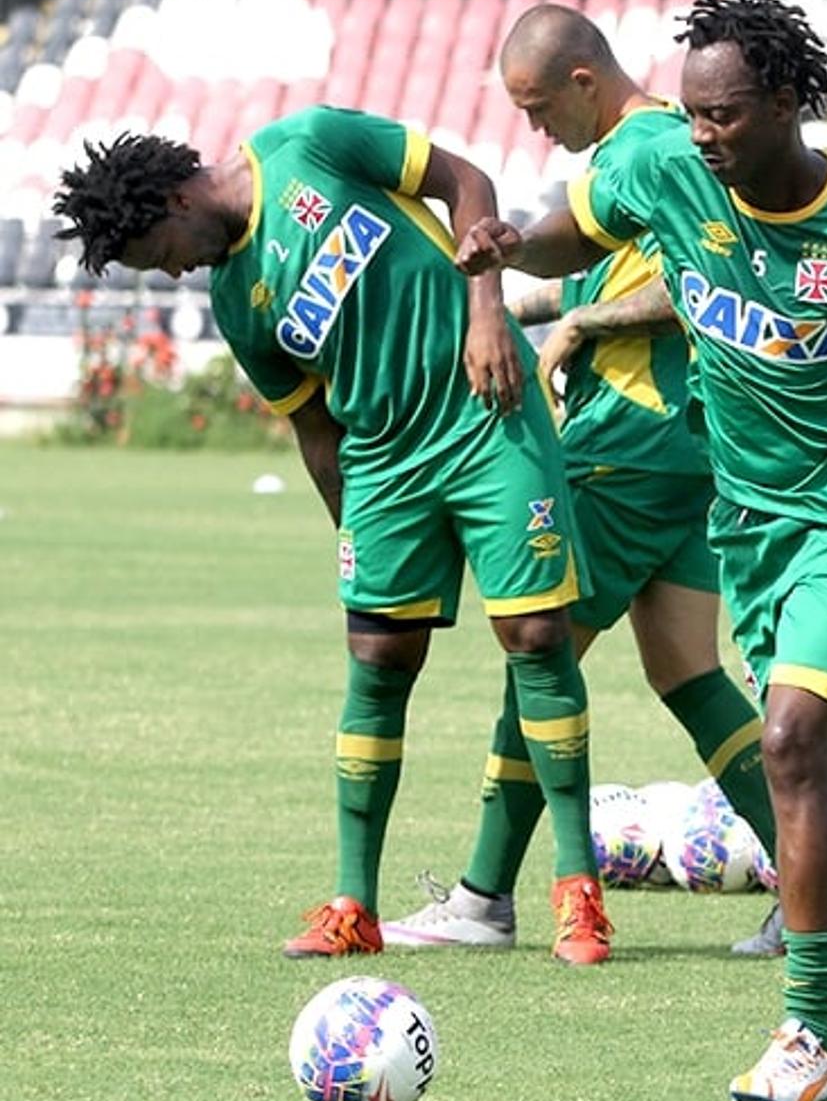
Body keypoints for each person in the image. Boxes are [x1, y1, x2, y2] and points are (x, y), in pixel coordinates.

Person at [453, 0, 827, 1101]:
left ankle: (805, 1034)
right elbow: (585, 219)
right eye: (693, 114)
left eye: (725, 115)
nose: (704, 135)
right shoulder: (670, 168)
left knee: (789, 743)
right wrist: (514, 240)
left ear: (785, 101)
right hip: (754, 523)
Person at [53, 107, 614, 964]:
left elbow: (466, 182)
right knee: (378, 661)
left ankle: (577, 892)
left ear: (175, 201)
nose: (170, 276)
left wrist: (487, 311)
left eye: (158, 257)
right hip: (385, 466)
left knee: (537, 638)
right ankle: (355, 906)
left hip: (484, 417)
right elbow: (317, 432)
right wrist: (348, 531)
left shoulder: (308, 144)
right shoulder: (238, 303)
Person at [379, 4, 784, 959]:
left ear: (583, 83)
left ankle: (483, 897)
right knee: (688, 672)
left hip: (630, 448)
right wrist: (528, 275)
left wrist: (586, 327)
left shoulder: (647, 150)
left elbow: (708, 282)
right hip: (693, 448)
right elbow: (602, 257)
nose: (533, 129)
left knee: (539, 651)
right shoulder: (639, 159)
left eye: (537, 107)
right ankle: (825, 885)